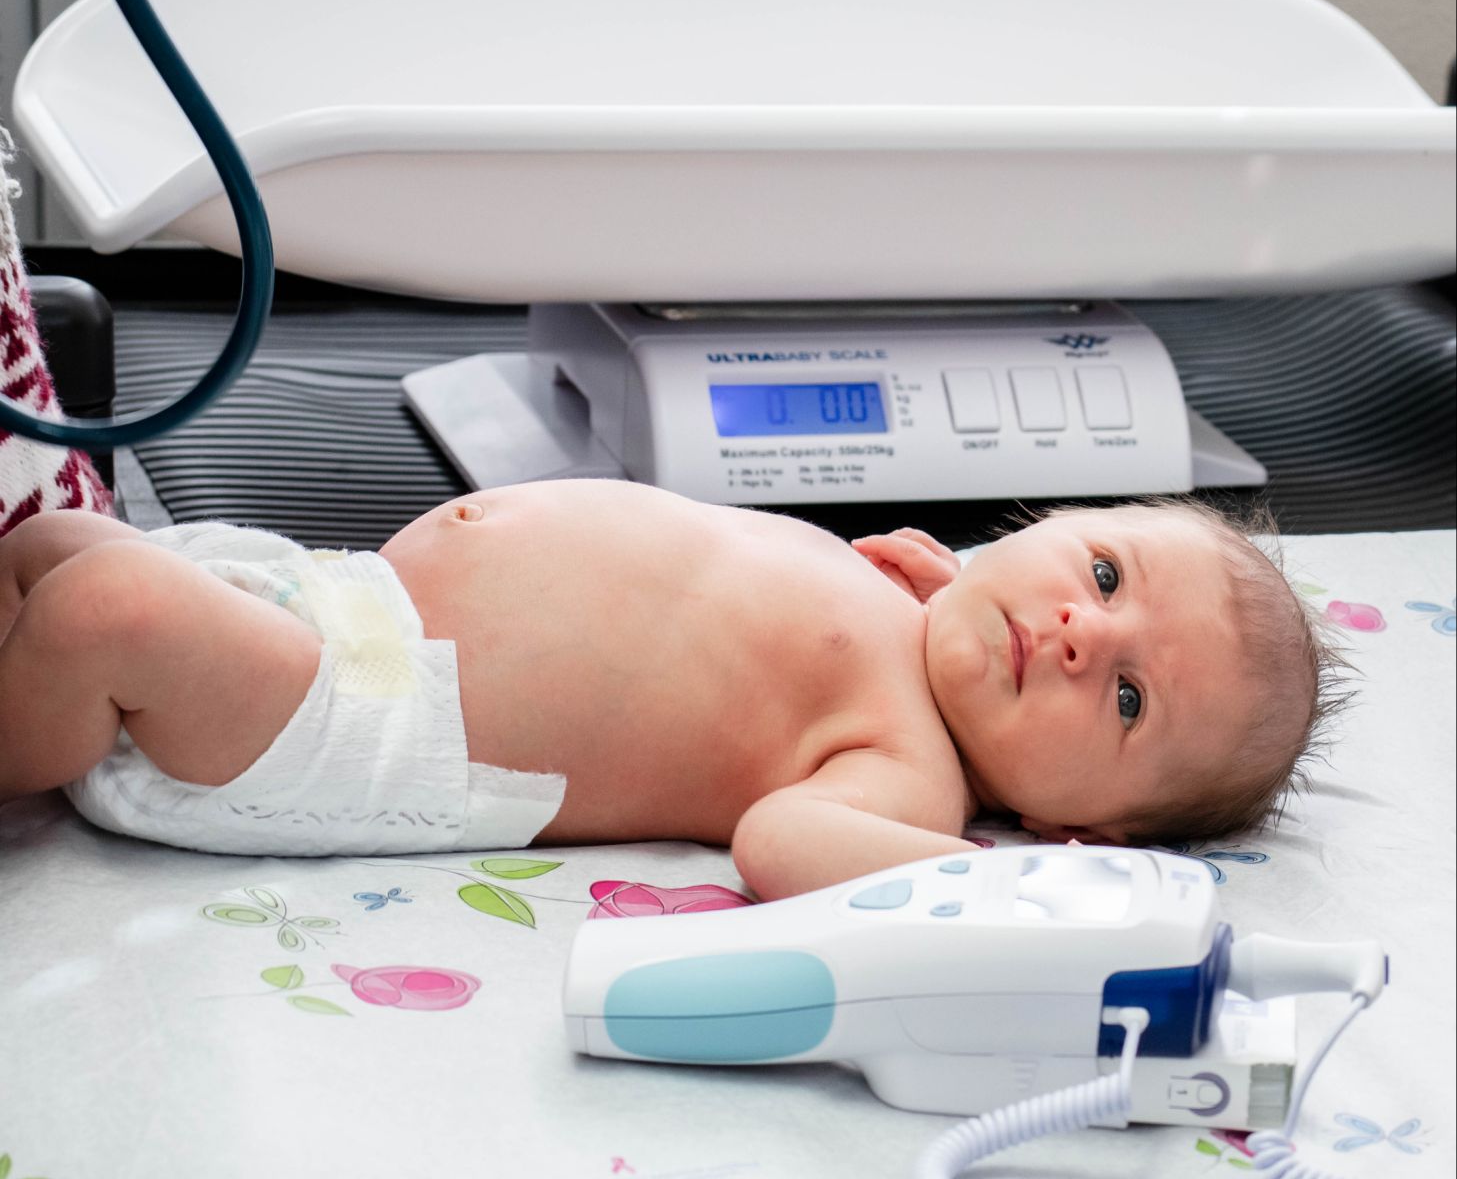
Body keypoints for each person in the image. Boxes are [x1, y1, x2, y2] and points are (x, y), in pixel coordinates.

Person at [0, 480, 1345, 899]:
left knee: (99, 610)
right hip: (332, 598)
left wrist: (1001, 887)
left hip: (360, 722)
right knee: (58, 550)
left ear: (1085, 831)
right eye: (1100, 572)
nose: (1069, 633)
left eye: (1124, 701)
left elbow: (781, 841)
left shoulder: (904, 765)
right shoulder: (913, 590)